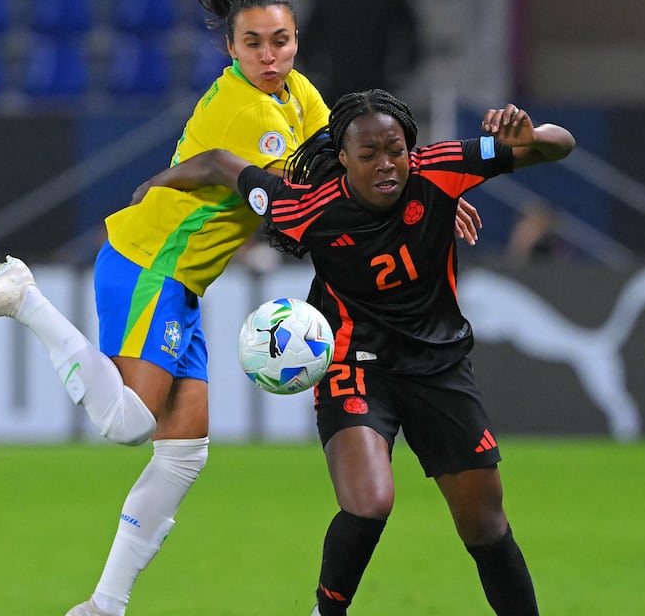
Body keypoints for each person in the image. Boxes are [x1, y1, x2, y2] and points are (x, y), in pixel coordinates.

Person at [0, 0, 478, 616]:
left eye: (281, 40)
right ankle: (26, 301)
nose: (270, 54)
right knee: (130, 424)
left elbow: (346, 155)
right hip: (149, 264)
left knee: (183, 455)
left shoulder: (299, 96)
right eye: (253, 43)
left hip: (185, 284)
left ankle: (104, 605)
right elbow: (290, 194)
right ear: (229, 48)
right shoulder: (245, 111)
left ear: (296, 39)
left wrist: (426, 198)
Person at [132, 90, 574, 615]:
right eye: (369, 154)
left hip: (440, 367)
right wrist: (154, 184)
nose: (387, 163)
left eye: (396, 149)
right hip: (354, 366)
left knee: (485, 525)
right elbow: (219, 165)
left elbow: (559, 145)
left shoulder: (442, 168)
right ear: (343, 158)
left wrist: (532, 138)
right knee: (370, 502)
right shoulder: (305, 206)